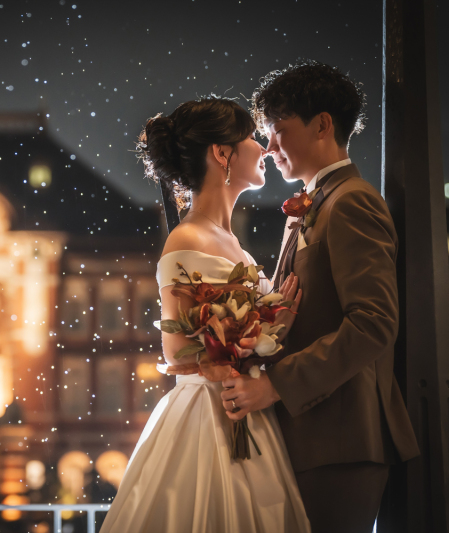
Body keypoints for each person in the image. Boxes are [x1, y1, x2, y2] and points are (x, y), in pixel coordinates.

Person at [220, 60, 420, 533]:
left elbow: (373, 323)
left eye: (278, 130)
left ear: (323, 125)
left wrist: (276, 384)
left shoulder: (352, 201)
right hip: (312, 438)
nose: (270, 147)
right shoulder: (316, 202)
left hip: (341, 441)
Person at [99, 97, 310, 533]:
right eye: (250, 138)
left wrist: (266, 331)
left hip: (243, 406)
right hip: (209, 416)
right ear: (221, 153)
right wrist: (268, 331)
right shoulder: (188, 239)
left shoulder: (230, 242)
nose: (264, 148)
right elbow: (178, 349)